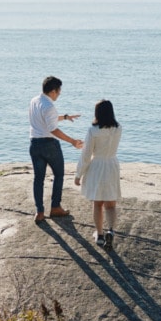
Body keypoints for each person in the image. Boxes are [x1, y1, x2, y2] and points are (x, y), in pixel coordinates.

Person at [29, 76, 82, 223]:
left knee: (38, 179)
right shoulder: (49, 106)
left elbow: (46, 119)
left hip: (34, 144)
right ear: (53, 91)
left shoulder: (34, 101)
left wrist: (65, 117)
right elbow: (52, 128)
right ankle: (55, 207)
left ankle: (39, 211)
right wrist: (72, 141)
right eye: (59, 91)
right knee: (59, 175)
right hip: (49, 145)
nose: (59, 94)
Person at [75, 99, 122, 249]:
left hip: (97, 166)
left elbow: (86, 155)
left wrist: (78, 174)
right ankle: (111, 231)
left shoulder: (93, 130)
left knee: (98, 203)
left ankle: (100, 235)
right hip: (112, 164)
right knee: (111, 203)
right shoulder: (118, 128)